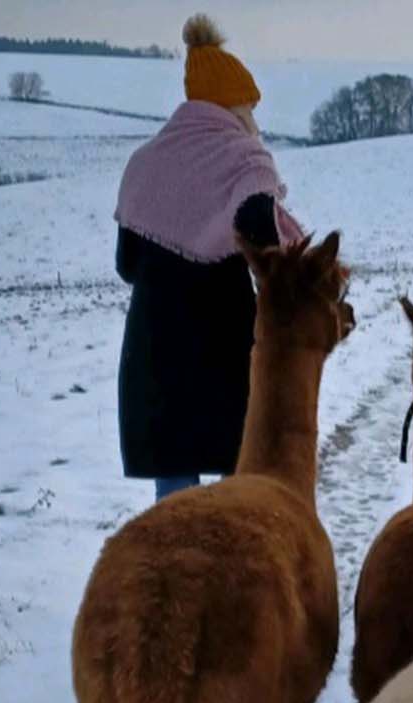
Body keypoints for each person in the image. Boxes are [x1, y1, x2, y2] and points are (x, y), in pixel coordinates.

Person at [112, 14, 302, 501]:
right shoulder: (243, 161)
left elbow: (127, 265)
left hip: (153, 354)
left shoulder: (146, 163)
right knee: (232, 501)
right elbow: (268, 250)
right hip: (223, 351)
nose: (255, 122)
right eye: (250, 108)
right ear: (231, 107)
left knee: (174, 509)